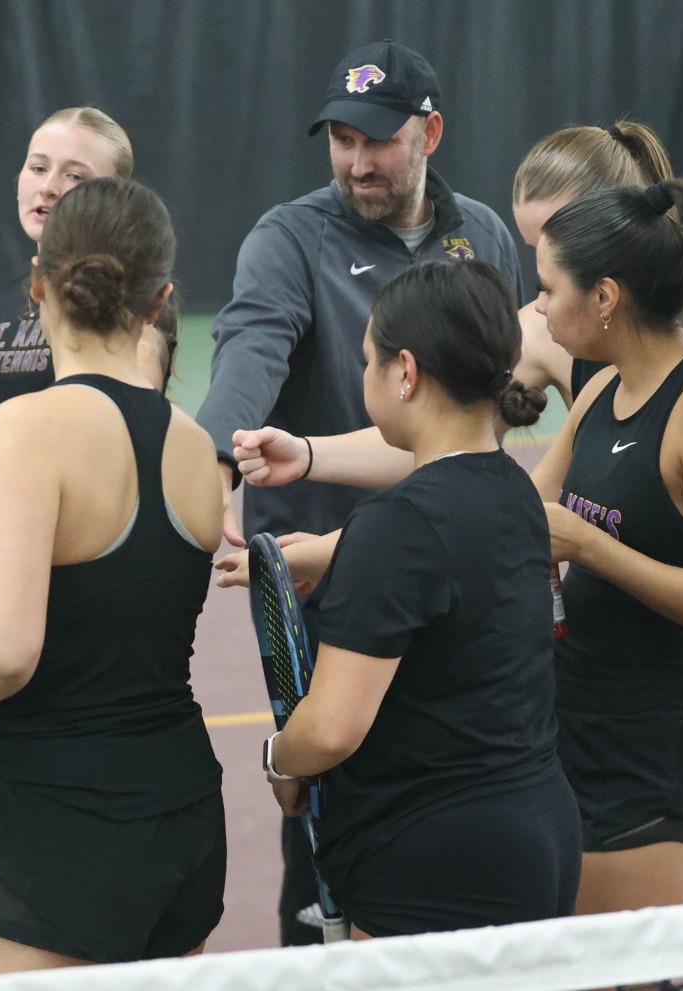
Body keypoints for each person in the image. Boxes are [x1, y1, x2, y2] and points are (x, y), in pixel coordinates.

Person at [236, 121, 683, 903]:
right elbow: (463, 454)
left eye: (549, 256)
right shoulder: (589, 371)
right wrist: (319, 492)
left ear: (607, 262)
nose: (532, 297)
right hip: (605, 690)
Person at [194, 38, 522, 944]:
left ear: (430, 134)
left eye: (376, 139)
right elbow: (249, 351)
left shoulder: (486, 237)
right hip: (327, 584)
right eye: (341, 140)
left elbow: (499, 403)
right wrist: (215, 463)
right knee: (327, 808)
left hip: (455, 565)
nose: (356, 161)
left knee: (455, 776)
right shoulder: (288, 238)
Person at [0, 177, 225, 976]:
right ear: (159, 301)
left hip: (55, 827)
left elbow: (6, 652)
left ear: (37, 285)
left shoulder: (25, 426)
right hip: (183, 818)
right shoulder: (197, 448)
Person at [216, 259, 581, 936]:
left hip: (436, 867)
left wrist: (279, 758)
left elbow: (329, 729)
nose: (366, 377)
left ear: (405, 372)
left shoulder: (396, 526)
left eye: (368, 362)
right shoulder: (516, 492)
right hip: (541, 837)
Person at [532, 179, 683, 912]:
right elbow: (510, 515)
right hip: (563, 718)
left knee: (612, 963)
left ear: (604, 296)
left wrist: (591, 547)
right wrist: (335, 550)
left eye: (548, 288)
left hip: (648, 748)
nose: (538, 306)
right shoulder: (598, 392)